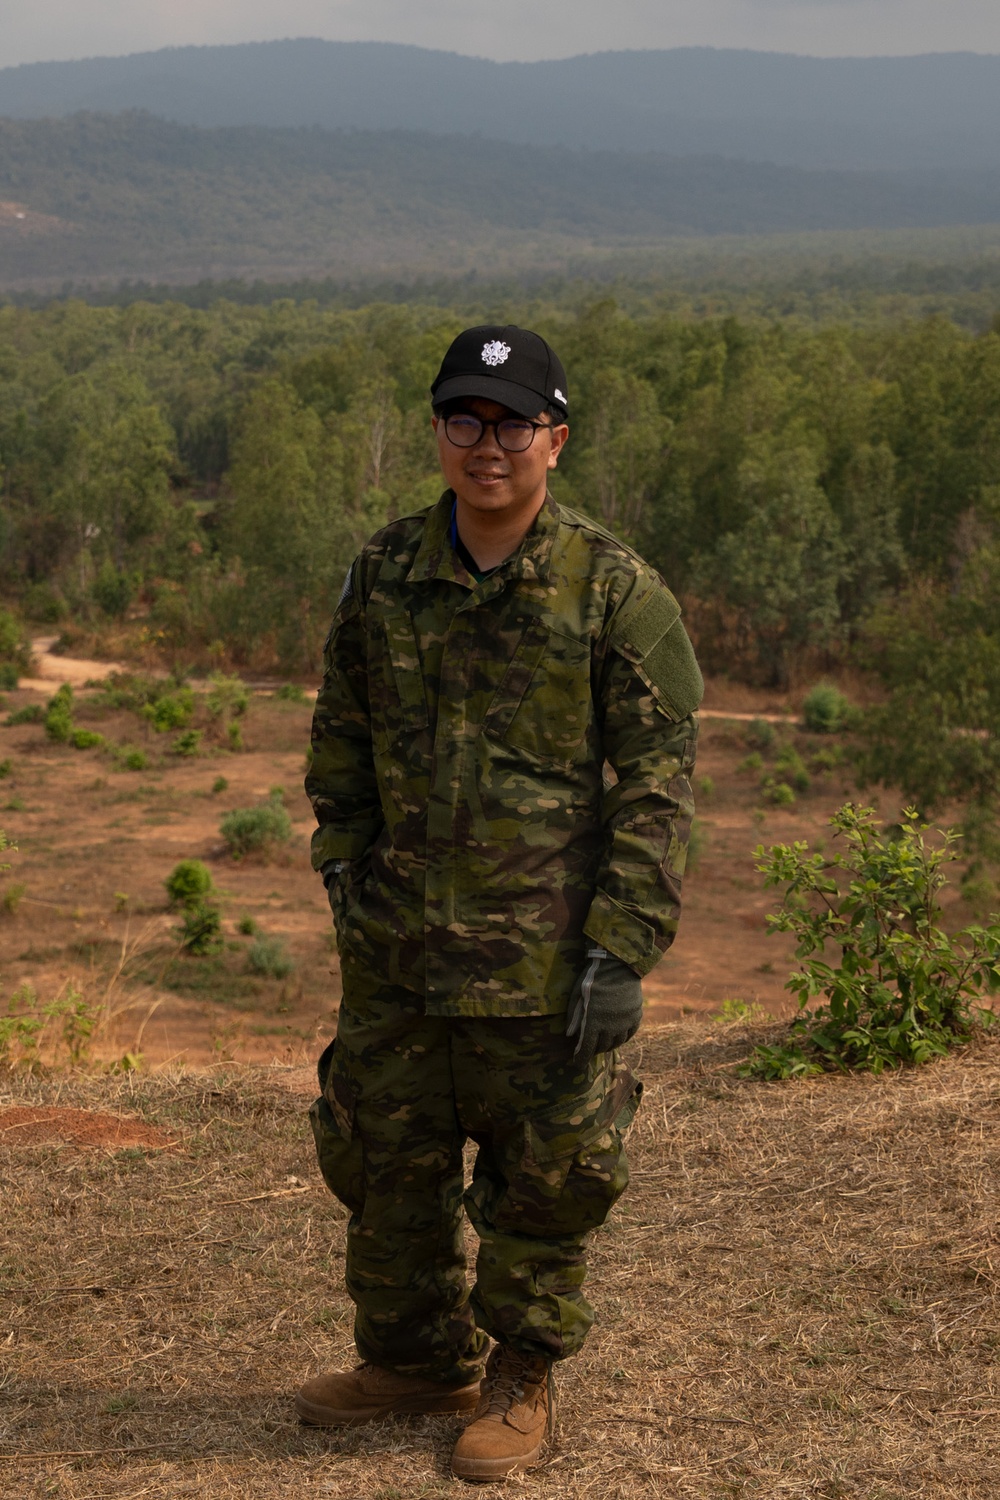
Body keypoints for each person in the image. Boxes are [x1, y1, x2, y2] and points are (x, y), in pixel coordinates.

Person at [299, 324, 702, 1482]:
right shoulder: (385, 572)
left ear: (554, 440)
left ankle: (519, 1381)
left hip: (544, 966)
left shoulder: (612, 589)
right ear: (437, 431)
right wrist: (344, 866)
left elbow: (658, 786)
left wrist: (621, 949)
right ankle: (415, 1359)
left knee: (544, 1180)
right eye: (465, 419)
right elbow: (342, 734)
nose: (488, 445)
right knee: (386, 1167)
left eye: (512, 422)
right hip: (395, 952)